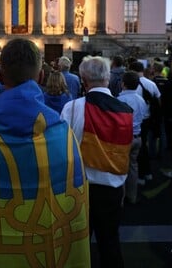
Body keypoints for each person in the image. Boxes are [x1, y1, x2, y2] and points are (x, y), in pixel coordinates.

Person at [0, 39, 89, 267]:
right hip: (45, 249)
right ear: (41, 76)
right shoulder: (62, 132)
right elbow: (74, 196)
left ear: (1, 79)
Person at [61, 55, 133, 268]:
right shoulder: (125, 111)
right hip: (113, 188)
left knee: (76, 243)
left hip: (81, 188)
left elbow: (64, 147)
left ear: (83, 79)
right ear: (108, 78)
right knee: (110, 243)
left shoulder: (73, 108)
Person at [117, 71, 149, 205]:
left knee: (121, 168)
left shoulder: (120, 100)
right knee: (133, 166)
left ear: (123, 84)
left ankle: (121, 198)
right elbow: (145, 116)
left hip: (124, 139)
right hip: (137, 136)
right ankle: (133, 195)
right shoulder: (141, 99)